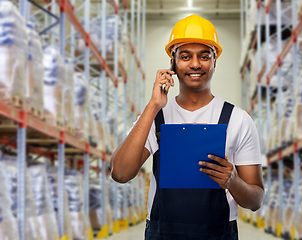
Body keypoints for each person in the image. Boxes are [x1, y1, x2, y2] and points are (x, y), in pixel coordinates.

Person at [109, 14, 264, 239]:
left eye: (204, 56)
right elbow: (120, 173)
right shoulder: (155, 117)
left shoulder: (238, 120)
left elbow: (256, 200)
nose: (194, 64)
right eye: (185, 56)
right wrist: (153, 106)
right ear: (172, 62)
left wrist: (233, 182)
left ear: (214, 61)